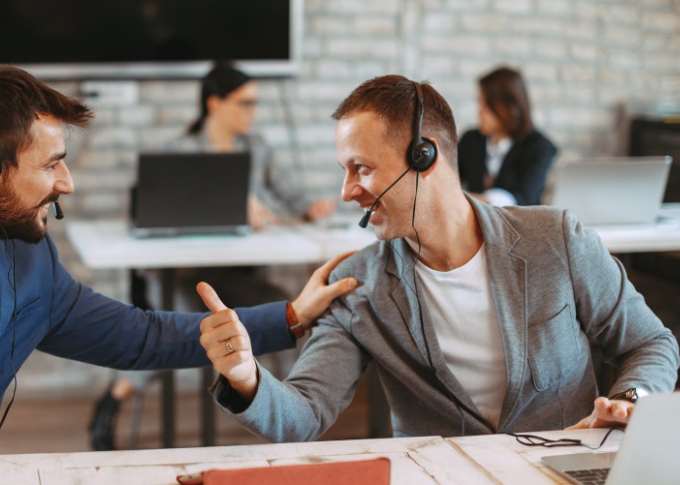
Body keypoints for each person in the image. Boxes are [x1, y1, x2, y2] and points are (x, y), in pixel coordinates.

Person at [0, 59, 359, 464]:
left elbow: (142, 337)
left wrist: (289, 316)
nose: (67, 184)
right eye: (51, 164)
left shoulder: (29, 266)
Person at [199, 75, 679, 442]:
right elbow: (304, 411)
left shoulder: (554, 239)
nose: (347, 191)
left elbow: (651, 343)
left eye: (361, 168)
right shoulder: (356, 285)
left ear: (424, 158)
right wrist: (247, 378)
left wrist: (628, 403)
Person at [87, 61, 336, 450]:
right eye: (245, 103)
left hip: (237, 274)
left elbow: (292, 197)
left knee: (291, 319)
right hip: (185, 276)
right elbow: (150, 211)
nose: (252, 113)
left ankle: (292, 415)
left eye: (255, 104)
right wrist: (238, 205)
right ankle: (114, 398)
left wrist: (311, 208)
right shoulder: (179, 152)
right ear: (215, 104)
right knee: (184, 332)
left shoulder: (257, 148)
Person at [457, 66, 558, 206]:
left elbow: (524, 199)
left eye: (485, 105)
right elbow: (450, 180)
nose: (478, 113)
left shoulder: (540, 147)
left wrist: (469, 199)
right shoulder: (470, 140)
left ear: (507, 108)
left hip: (518, 226)